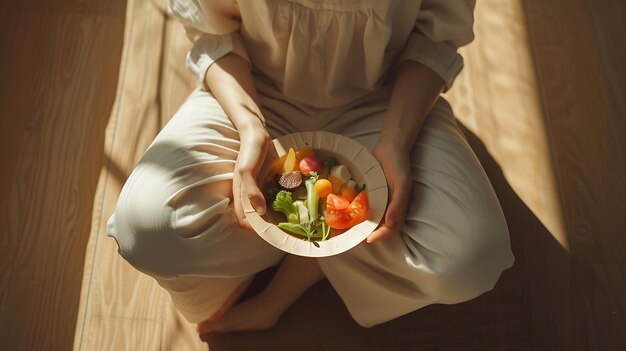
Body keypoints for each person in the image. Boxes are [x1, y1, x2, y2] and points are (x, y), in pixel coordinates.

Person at [106, 0, 514, 335]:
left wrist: (396, 140)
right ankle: (322, 256)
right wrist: (251, 128)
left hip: (386, 102)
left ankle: (286, 280)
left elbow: (435, 38)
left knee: (471, 258)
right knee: (146, 228)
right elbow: (215, 33)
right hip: (256, 91)